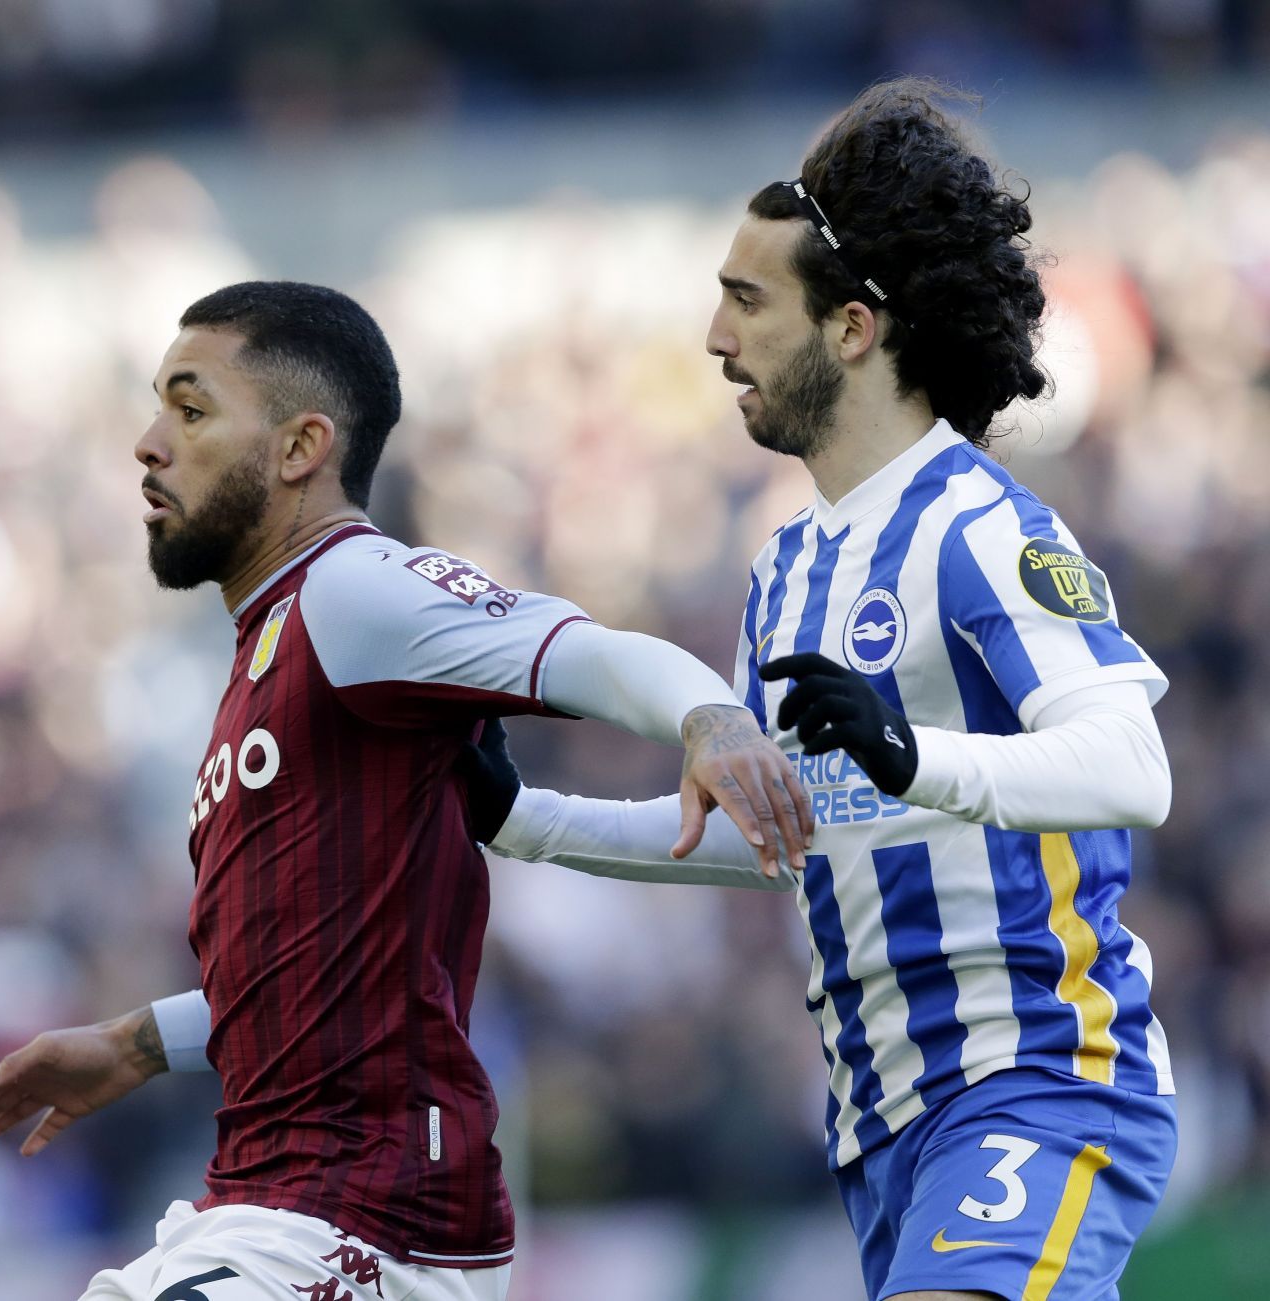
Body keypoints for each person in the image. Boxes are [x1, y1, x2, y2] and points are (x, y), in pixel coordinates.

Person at [0, 280, 809, 1301]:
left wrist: (713, 720)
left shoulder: (353, 590)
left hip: (364, 1220)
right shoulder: (266, 656)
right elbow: (321, 970)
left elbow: (589, 650)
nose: (147, 441)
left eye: (189, 408)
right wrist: (135, 1043)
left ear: (300, 447)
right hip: (269, 1210)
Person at [471, 79, 1178, 1301]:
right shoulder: (786, 569)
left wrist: (915, 756)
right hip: (882, 1124)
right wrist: (525, 819)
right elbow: (778, 836)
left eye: (747, 301)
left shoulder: (982, 529)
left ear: (853, 327)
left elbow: (1133, 765)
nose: (714, 337)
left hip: (1039, 1078)